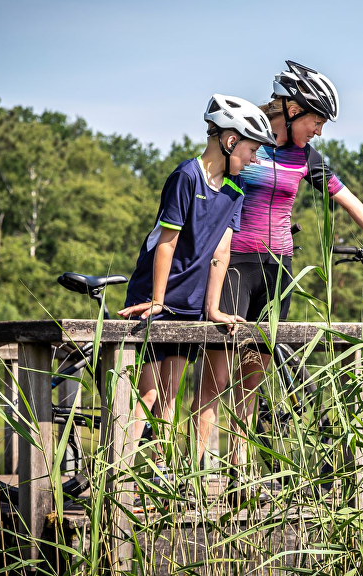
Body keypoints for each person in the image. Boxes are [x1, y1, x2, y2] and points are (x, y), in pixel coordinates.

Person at [192, 61, 363, 503]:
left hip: (278, 271)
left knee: (252, 376)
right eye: (315, 120)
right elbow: (204, 193)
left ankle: (240, 472)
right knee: (216, 376)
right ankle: (201, 475)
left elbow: (350, 202)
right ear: (291, 109)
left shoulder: (306, 157)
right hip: (233, 263)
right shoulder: (246, 142)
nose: (318, 131)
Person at [117, 94, 275, 504]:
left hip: (191, 305)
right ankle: (117, 485)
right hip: (159, 298)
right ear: (227, 141)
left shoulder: (235, 191)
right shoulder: (186, 177)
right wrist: (155, 300)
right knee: (148, 397)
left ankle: (161, 484)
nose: (255, 157)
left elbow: (221, 252)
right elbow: (166, 243)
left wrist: (213, 308)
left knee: (170, 396)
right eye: (251, 148)